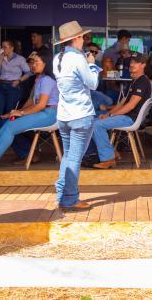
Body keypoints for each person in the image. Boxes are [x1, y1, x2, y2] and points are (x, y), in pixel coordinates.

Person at [0, 50, 59, 168]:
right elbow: (31, 101)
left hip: (49, 115)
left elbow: (41, 105)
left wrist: (21, 113)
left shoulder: (47, 80)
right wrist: (15, 113)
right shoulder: (39, 79)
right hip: (42, 113)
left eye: (36, 62)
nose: (33, 65)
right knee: (8, 121)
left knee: (10, 127)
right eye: (32, 62)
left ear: (45, 63)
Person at [52, 21, 101, 211]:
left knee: (68, 157)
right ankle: (70, 198)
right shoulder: (79, 58)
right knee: (74, 159)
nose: (84, 41)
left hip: (64, 115)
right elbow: (93, 84)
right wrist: (92, 64)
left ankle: (62, 193)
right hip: (81, 115)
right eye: (83, 37)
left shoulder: (57, 58)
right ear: (77, 38)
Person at [91, 53, 152, 169]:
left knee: (97, 125)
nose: (132, 64)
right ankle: (111, 152)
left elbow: (131, 106)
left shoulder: (142, 82)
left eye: (136, 62)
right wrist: (108, 114)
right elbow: (122, 102)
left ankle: (108, 159)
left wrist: (111, 115)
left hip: (130, 118)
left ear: (143, 65)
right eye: (131, 62)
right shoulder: (134, 81)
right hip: (125, 116)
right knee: (92, 122)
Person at [0, 39, 31, 134]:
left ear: (11, 48)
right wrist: (0, 59)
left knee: (10, 112)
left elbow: (29, 72)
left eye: (5, 47)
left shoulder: (20, 59)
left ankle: (7, 134)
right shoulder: (1, 58)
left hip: (13, 87)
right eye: (2, 47)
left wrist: (19, 81)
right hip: (1, 86)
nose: (2, 49)